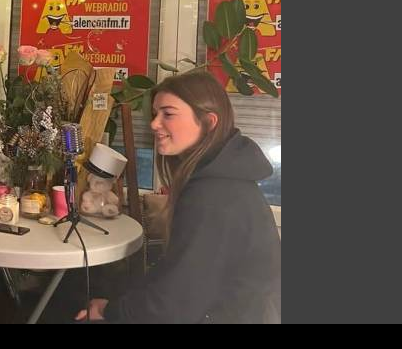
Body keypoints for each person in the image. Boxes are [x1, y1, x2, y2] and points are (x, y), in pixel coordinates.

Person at [75, 71, 281, 324]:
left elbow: (174, 306)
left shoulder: (212, 197)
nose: (154, 124)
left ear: (209, 122)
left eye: (168, 114)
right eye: (155, 114)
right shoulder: (222, 181)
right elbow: (179, 279)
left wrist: (110, 311)